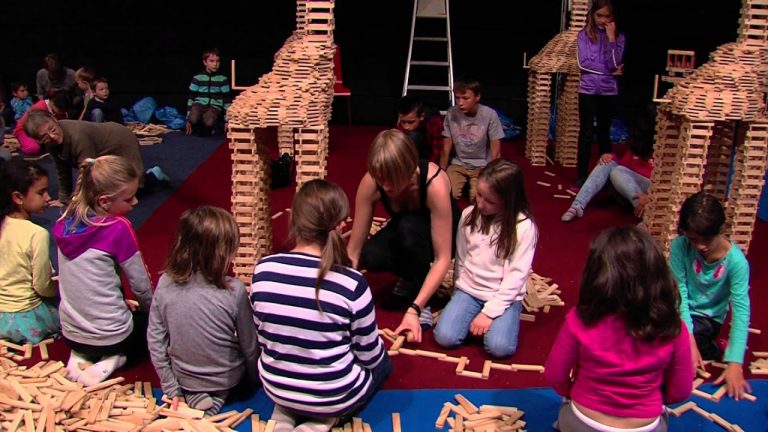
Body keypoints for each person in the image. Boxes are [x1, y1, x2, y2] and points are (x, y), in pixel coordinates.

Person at [251, 179, 390, 430]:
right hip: (334, 396)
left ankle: (286, 412)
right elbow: (369, 356)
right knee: (384, 365)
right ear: (342, 225)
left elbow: (264, 337)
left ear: (295, 219)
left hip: (276, 387)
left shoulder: (263, 270)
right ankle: (324, 419)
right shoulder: (352, 284)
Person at [546, 226, 693, 432]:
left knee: (564, 415)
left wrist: (572, 393)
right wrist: (651, 400)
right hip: (645, 426)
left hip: (583, 422)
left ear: (596, 275)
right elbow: (681, 390)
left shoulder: (579, 319)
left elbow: (555, 374)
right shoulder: (673, 327)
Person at [347, 129, 459, 342]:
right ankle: (410, 275)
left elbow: (442, 258)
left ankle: (421, 295)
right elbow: (354, 250)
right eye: (381, 180)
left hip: (445, 234)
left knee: (408, 230)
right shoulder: (372, 182)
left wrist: (414, 308)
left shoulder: (434, 184)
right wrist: (337, 292)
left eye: (392, 180)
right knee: (371, 255)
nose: (386, 186)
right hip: (409, 230)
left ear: (408, 171)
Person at [148, 206, 259, 415]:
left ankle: (195, 395)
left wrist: (171, 387)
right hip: (227, 376)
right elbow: (250, 345)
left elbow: (156, 341)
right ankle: (218, 396)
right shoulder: (234, 291)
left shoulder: (164, 283)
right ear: (222, 253)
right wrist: (254, 378)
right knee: (232, 374)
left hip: (185, 378)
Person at [53, 155, 153, 386]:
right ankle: (115, 358)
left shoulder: (64, 221)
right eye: (129, 198)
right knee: (147, 327)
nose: (136, 202)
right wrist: (151, 313)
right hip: (112, 336)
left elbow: (82, 281)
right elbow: (141, 285)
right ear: (105, 201)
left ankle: (80, 354)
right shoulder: (117, 228)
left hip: (71, 331)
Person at [434, 159, 537, 358]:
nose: (480, 204)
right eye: (479, 195)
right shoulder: (468, 215)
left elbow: (516, 276)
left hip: (502, 294)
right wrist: (458, 292)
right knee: (445, 337)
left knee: (500, 348)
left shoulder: (523, 227)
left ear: (509, 201)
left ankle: (494, 320)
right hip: (470, 289)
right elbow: (462, 258)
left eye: (490, 201)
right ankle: (474, 317)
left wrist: (489, 313)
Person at [670, 192, 751, 399]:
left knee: (674, 348)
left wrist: (735, 363)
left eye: (707, 239)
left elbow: (741, 311)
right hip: (681, 309)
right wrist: (687, 337)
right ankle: (694, 341)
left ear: (720, 230)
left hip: (708, 318)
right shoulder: (680, 246)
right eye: (693, 239)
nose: (700, 246)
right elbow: (679, 293)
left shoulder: (736, 262)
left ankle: (712, 348)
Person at [23, 110, 168, 205]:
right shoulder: (51, 144)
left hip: (121, 141)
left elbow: (87, 171)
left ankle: (154, 176)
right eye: (44, 137)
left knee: (131, 190)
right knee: (109, 192)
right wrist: (64, 198)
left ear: (54, 119)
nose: (52, 137)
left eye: (52, 129)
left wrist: (79, 203)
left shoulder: (77, 136)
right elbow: (62, 169)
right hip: (100, 150)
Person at [0, 160, 60, 344]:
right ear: (18, 197)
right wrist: (59, 292)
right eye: (41, 192)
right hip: (24, 316)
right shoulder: (37, 234)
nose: (48, 197)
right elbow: (42, 286)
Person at [561, 112, 654, 222]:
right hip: (631, 189)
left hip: (651, 190)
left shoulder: (661, 150)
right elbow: (624, 168)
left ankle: (644, 211)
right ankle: (577, 205)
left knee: (617, 171)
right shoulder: (635, 148)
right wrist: (610, 157)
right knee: (608, 163)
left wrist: (649, 195)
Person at [575, 0, 626, 189]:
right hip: (587, 90)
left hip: (608, 92)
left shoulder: (619, 37)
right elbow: (583, 63)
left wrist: (611, 40)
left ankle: (605, 177)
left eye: (607, 16)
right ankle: (581, 177)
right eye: (600, 16)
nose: (603, 20)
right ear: (592, 15)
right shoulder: (583, 35)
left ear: (613, 18)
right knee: (586, 134)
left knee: (605, 133)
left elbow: (615, 62)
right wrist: (609, 70)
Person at [440, 77, 504, 202]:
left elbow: (495, 152)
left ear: (477, 97)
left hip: (482, 165)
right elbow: (445, 148)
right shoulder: (451, 113)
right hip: (458, 163)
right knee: (446, 193)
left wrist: (491, 177)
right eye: (457, 98)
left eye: (465, 98)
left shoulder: (490, 115)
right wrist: (441, 174)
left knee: (478, 198)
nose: (460, 103)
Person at [185, 48, 231, 136]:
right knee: (193, 118)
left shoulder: (222, 79)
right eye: (212, 61)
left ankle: (211, 126)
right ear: (205, 62)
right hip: (199, 104)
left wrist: (227, 120)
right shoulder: (198, 78)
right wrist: (188, 118)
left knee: (208, 122)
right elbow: (191, 97)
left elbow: (227, 100)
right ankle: (197, 124)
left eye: (217, 61)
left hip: (214, 106)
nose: (215, 64)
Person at [13, 91, 70, 156]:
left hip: (47, 132)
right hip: (28, 131)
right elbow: (33, 129)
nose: (62, 112)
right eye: (60, 110)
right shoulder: (41, 106)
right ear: (52, 102)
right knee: (33, 148)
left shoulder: (62, 113)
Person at [396, 94, 444, 162]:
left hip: (429, 157)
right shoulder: (401, 123)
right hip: (411, 156)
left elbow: (437, 152)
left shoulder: (434, 122)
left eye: (411, 122)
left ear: (421, 117)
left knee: (414, 136)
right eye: (403, 122)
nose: (406, 127)